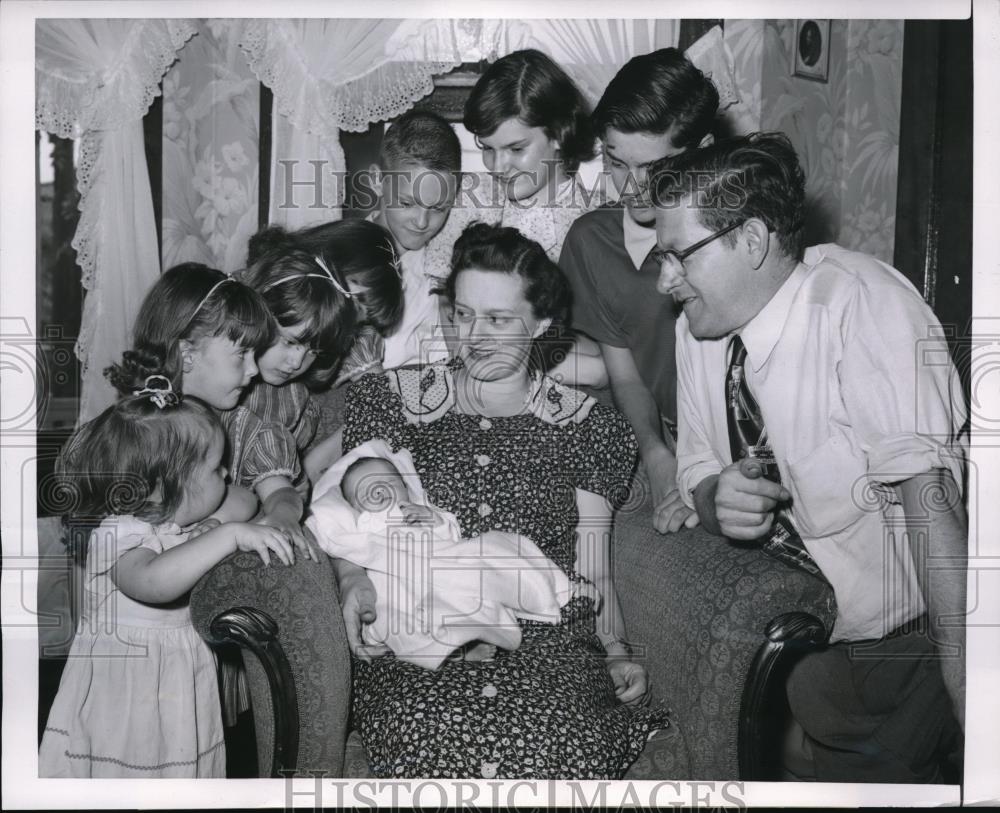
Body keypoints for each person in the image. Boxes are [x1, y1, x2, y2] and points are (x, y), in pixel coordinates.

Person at [651, 132, 967, 782]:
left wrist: (977, 697)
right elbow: (696, 470)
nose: (664, 280)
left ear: (752, 238)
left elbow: (930, 506)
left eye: (678, 256)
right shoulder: (699, 331)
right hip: (819, 647)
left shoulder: (861, 305)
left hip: (915, 642)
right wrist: (716, 500)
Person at [333, 222, 667, 779]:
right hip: (423, 638)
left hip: (549, 643)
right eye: (463, 314)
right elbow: (345, 514)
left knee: (560, 750)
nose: (474, 337)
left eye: (498, 319)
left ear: (541, 323)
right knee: (430, 743)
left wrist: (615, 648)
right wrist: (350, 578)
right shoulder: (387, 402)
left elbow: (593, 561)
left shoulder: (590, 427)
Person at [39, 377, 294, 777]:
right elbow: (154, 584)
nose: (227, 473)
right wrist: (226, 535)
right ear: (161, 488)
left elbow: (245, 499)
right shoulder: (118, 532)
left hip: (174, 686)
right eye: (214, 467)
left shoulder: (177, 520)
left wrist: (209, 525)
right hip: (125, 700)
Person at [559, 48, 719, 533]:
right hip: (667, 436)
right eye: (615, 161)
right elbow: (623, 375)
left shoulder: (736, 242)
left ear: (702, 150)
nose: (632, 186)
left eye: (653, 167)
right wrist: (654, 453)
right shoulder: (592, 243)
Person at [307, 439, 578, 669]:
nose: (379, 491)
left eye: (388, 481)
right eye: (363, 492)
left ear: (406, 487)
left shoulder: (419, 510)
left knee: (471, 583)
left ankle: (482, 629)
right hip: (394, 576)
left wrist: (432, 518)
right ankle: (449, 650)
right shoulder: (365, 525)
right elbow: (339, 537)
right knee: (399, 615)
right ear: (354, 506)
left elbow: (451, 535)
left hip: (439, 565)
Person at [459, 48, 605, 386]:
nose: (497, 167)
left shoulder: (595, 222)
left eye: (515, 149)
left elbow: (608, 360)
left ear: (558, 134)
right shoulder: (472, 204)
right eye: (487, 148)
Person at [363, 109, 462, 371]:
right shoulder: (344, 256)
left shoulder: (449, 263)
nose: (422, 222)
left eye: (439, 208)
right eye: (407, 203)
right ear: (377, 180)